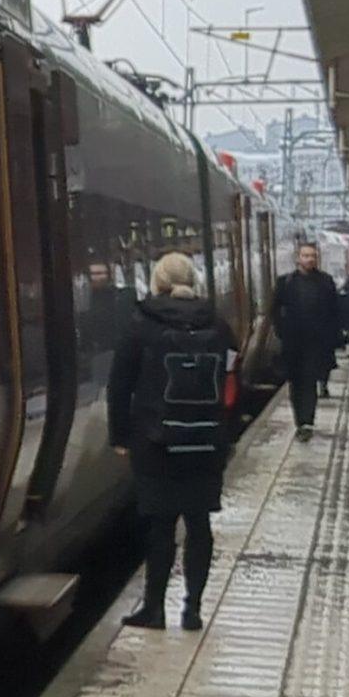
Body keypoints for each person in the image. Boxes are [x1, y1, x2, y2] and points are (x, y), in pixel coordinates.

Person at [109, 251, 236, 632]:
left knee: (161, 526)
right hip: (205, 439)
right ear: (192, 279)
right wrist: (224, 428)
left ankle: (154, 609)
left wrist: (120, 436)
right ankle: (193, 610)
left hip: (156, 440)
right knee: (199, 524)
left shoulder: (140, 324)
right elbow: (232, 379)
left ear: (158, 281)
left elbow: (119, 386)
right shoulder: (218, 324)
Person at [269, 240, 341, 439]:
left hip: (316, 343)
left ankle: (307, 423)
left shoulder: (326, 282)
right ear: (298, 258)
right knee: (296, 384)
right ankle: (299, 420)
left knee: (309, 383)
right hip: (293, 343)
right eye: (306, 256)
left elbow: (335, 311)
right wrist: (281, 331)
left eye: (313, 256)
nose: (310, 259)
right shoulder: (285, 282)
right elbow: (274, 310)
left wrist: (332, 337)